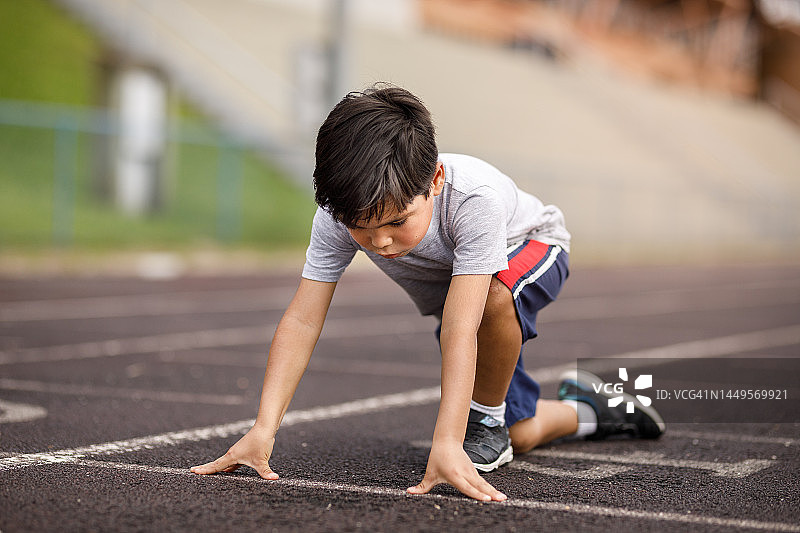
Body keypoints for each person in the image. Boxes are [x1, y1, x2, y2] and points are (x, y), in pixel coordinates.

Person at [191, 84, 665, 502]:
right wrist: (263, 428)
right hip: (461, 289)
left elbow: (460, 329)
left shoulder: (471, 200)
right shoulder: (339, 216)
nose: (380, 242)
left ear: (435, 181)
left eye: (397, 222)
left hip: (533, 246)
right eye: (362, 228)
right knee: (520, 435)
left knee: (491, 315)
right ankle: (595, 409)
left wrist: (449, 441)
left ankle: (486, 422)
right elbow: (302, 319)